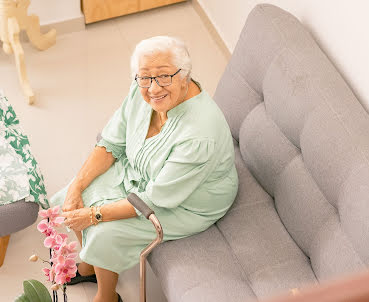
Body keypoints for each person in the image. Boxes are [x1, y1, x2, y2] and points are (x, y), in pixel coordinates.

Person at [49, 36, 238, 302]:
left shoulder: (199, 136)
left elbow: (155, 199)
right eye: (145, 77)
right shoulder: (140, 89)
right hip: (141, 173)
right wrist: (77, 187)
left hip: (186, 200)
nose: (153, 88)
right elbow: (111, 142)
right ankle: (91, 265)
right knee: (77, 195)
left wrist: (94, 216)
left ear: (185, 76)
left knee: (103, 231)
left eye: (164, 77)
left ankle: (107, 297)